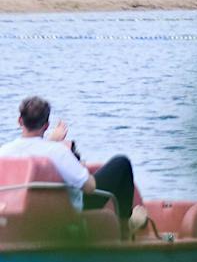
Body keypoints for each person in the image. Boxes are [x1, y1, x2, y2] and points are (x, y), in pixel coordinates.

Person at [2, 95, 145, 238]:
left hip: (21, 210)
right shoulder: (57, 151)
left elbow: (32, 149)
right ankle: (125, 230)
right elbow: (89, 187)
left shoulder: (4, 152)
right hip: (66, 212)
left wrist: (52, 141)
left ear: (20, 120)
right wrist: (79, 166)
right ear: (46, 125)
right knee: (121, 163)